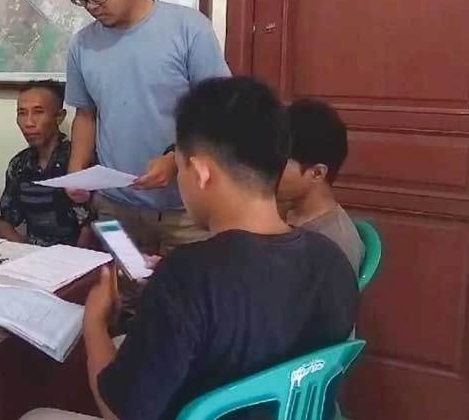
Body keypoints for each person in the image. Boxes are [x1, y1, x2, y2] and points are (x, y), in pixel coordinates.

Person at [22, 77, 358, 420]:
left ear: (200, 172)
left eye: (179, 168)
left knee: (36, 416)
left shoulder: (190, 276)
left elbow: (118, 412)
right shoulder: (332, 259)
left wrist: (95, 321)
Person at [62, 0, 231, 256]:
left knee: (185, 287)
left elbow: (219, 113)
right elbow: (86, 114)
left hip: (185, 209)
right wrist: (76, 170)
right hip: (114, 207)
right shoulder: (83, 45)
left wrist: (175, 159)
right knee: (119, 284)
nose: (92, 6)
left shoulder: (188, 29)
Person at [0, 80, 94, 247]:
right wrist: (27, 253)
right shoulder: (19, 164)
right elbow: (3, 225)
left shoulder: (78, 161)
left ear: (59, 116)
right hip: (33, 255)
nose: (29, 123)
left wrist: (72, 258)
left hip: (75, 256)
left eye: (38, 112)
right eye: (22, 113)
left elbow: (91, 226)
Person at [278, 98, 364, 276]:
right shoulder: (282, 209)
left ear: (317, 173)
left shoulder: (336, 246)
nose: (266, 171)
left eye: (279, 164)